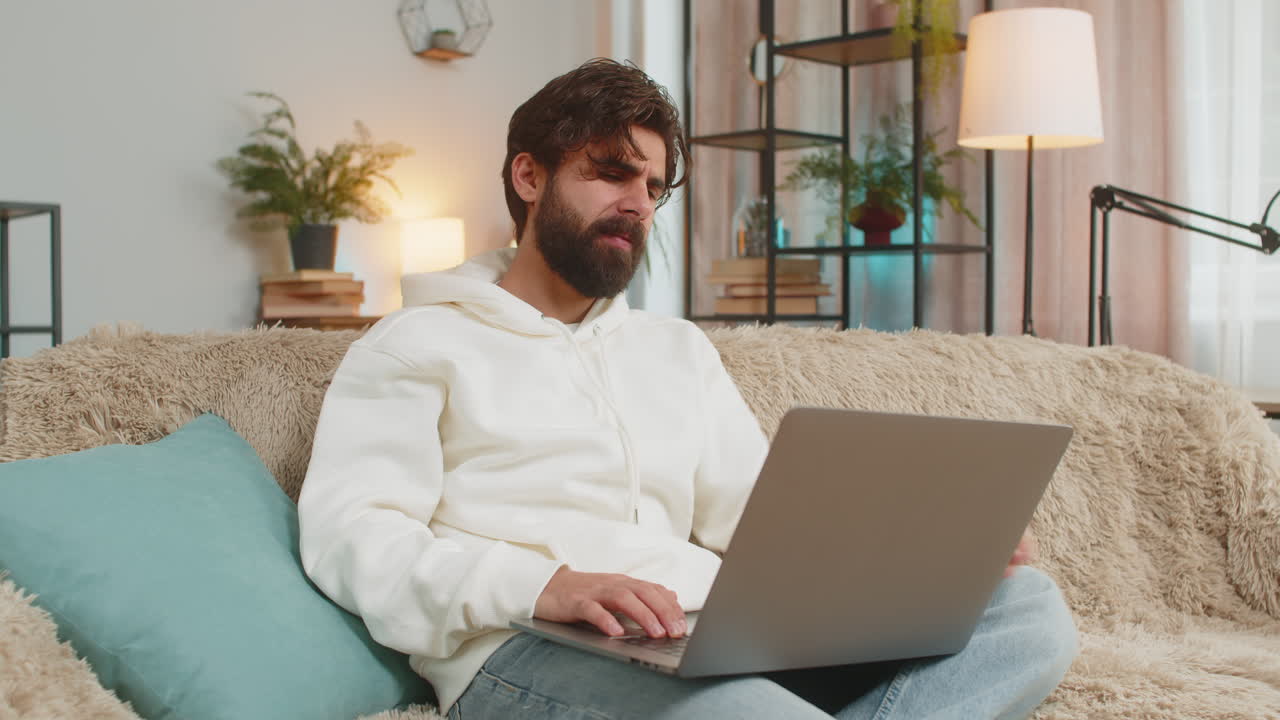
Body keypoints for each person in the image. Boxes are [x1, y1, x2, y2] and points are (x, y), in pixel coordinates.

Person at [298, 58, 1078, 720]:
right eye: (610, 173)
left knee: (1030, 614)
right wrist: (544, 586)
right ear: (528, 176)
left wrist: (934, 556)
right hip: (524, 649)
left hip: (707, 634)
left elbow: (764, 519)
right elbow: (352, 537)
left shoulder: (673, 349)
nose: (637, 202)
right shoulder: (417, 346)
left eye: (653, 185)